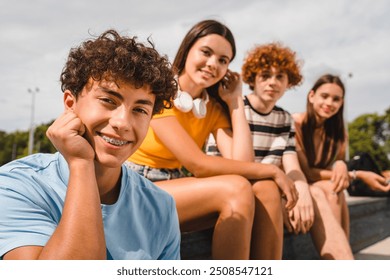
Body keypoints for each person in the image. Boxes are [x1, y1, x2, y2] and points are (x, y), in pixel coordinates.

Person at [0, 29, 180, 260]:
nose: (122, 123)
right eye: (108, 100)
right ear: (70, 103)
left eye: (140, 110)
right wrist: (80, 163)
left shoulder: (160, 207)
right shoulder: (16, 186)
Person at [127, 19, 298, 260]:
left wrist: (235, 102)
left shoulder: (211, 108)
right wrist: (272, 170)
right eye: (205, 53)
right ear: (187, 50)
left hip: (176, 189)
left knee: (266, 189)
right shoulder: (159, 92)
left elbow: (242, 163)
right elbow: (198, 164)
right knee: (237, 188)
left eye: (222, 60)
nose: (212, 64)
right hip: (135, 187)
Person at [208, 42, 315, 257]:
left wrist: (301, 190)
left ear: (289, 82)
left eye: (280, 77)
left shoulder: (284, 118)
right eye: (265, 76)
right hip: (231, 181)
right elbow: (229, 163)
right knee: (267, 188)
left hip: (265, 188)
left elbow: (291, 163)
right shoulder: (235, 106)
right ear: (253, 79)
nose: (272, 83)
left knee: (275, 190)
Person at [293, 74, 359, 259]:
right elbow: (307, 173)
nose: (330, 103)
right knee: (332, 188)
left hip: (320, 187)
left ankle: (339, 258)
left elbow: (336, 170)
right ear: (311, 95)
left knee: (334, 188)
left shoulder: (339, 134)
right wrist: (345, 170)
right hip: (298, 184)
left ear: (341, 103)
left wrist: (340, 164)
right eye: (324, 96)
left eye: (336, 99)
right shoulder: (296, 123)